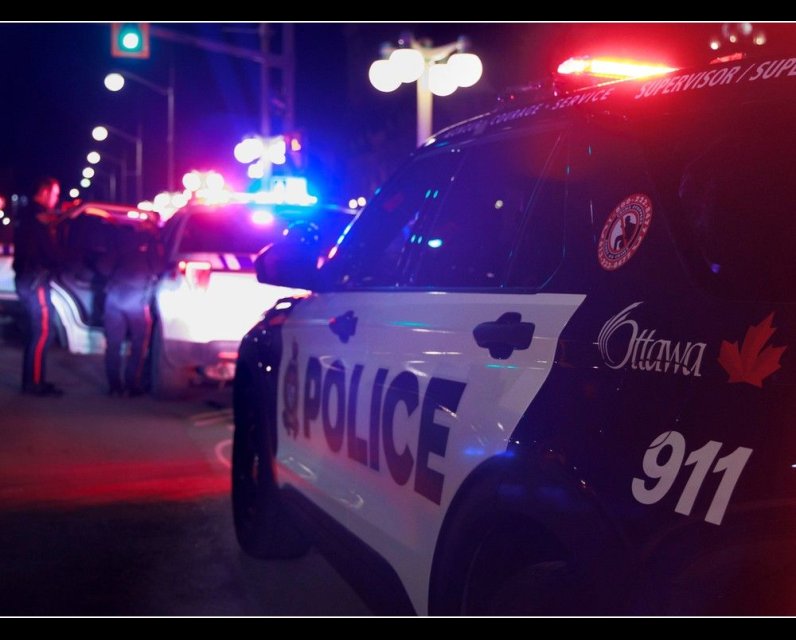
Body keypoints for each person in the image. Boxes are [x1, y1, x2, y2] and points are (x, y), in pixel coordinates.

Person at [12, 177, 64, 396]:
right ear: (44, 192)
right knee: (42, 332)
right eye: (55, 194)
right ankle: (34, 383)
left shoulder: (29, 215)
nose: (56, 199)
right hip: (36, 280)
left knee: (38, 332)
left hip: (30, 279)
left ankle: (35, 380)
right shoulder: (37, 217)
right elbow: (49, 252)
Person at [103, 224, 162, 397]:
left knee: (113, 345)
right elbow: (159, 268)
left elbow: (103, 268)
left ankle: (114, 386)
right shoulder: (150, 246)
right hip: (137, 302)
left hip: (113, 300)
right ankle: (132, 385)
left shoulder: (116, 245)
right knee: (138, 345)